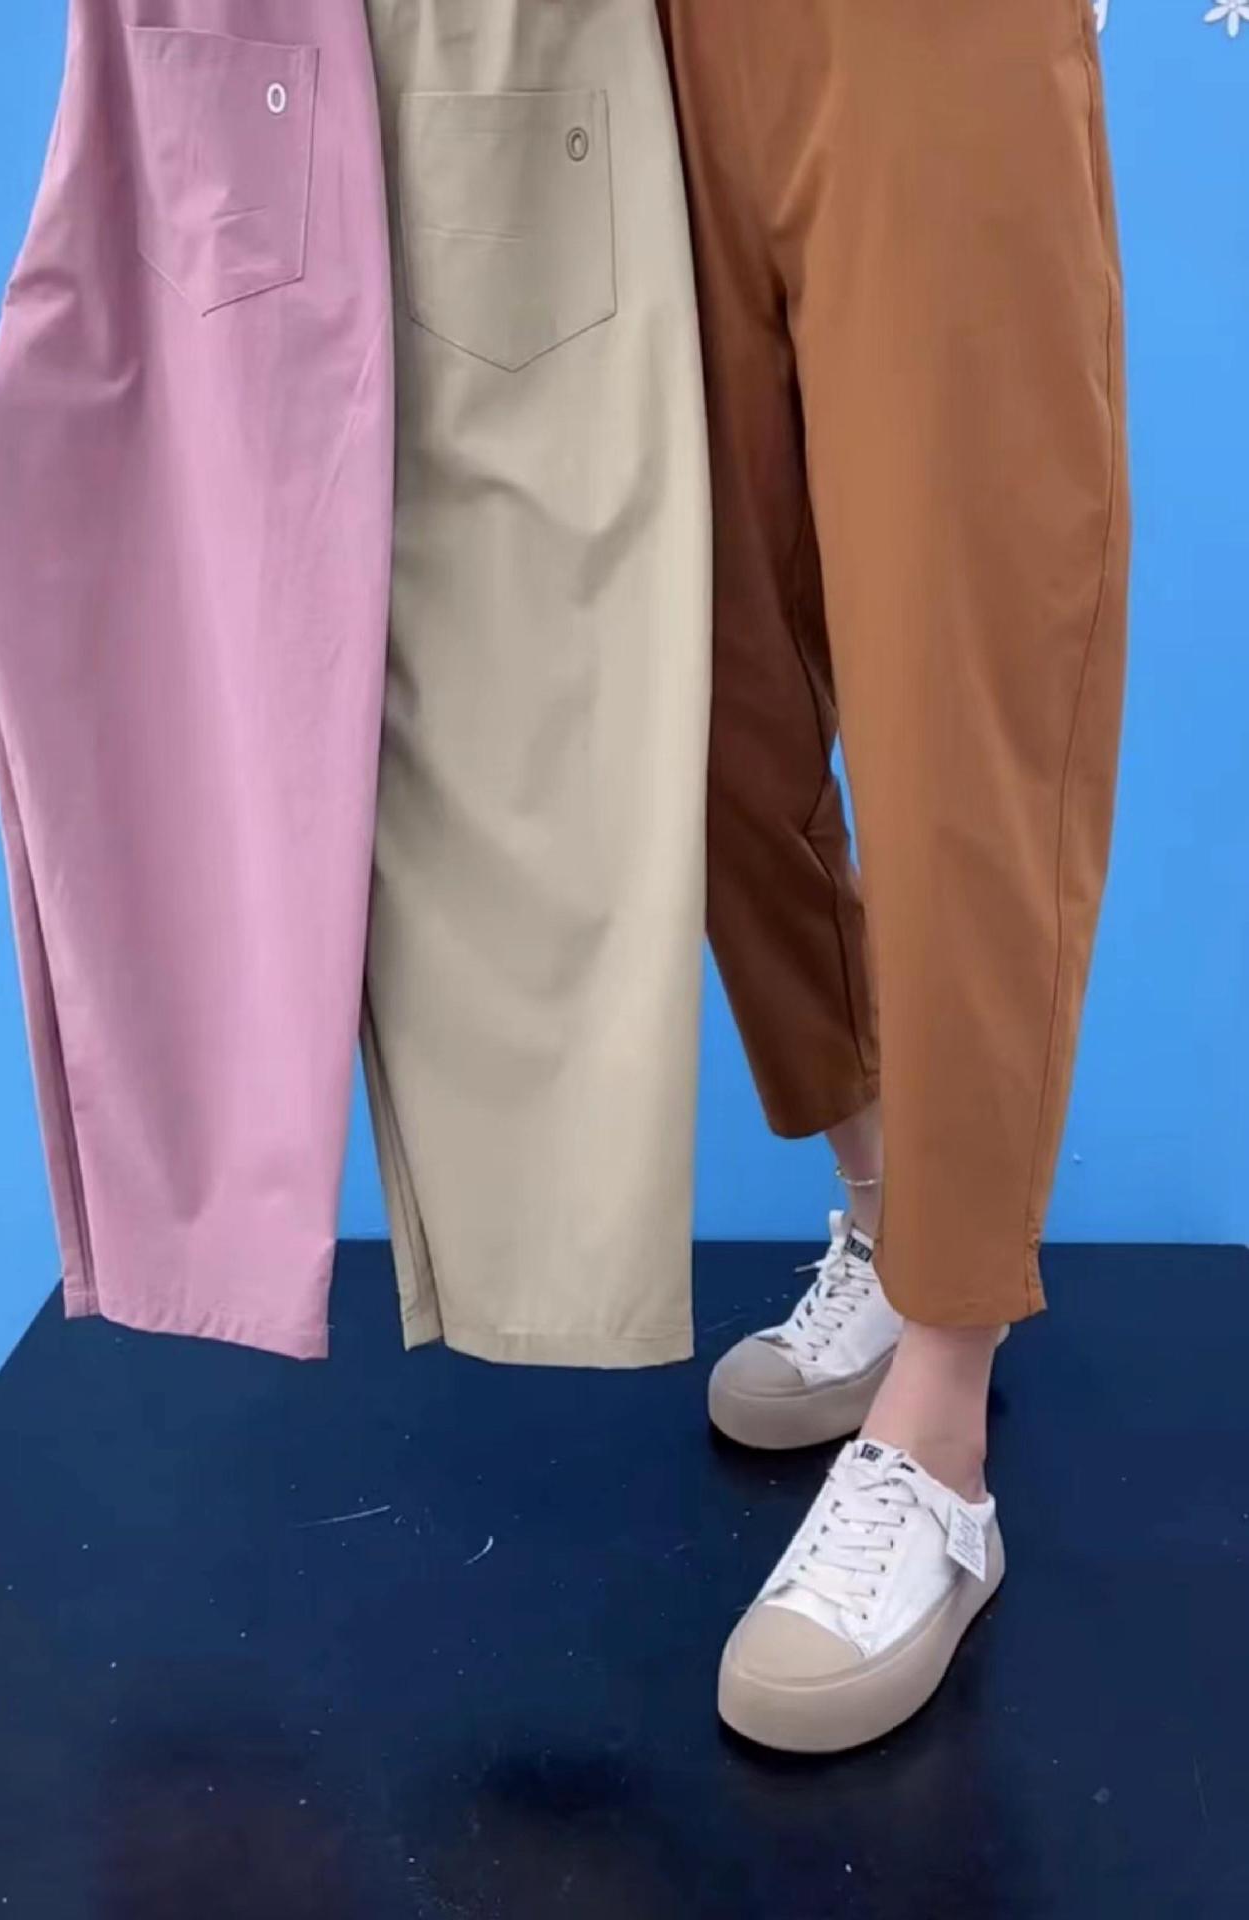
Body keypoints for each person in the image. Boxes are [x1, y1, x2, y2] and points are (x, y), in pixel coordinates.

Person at [658, 0, 1129, 1752]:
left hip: (935, 41)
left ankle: (941, 1418)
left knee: (957, 709)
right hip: (664, 46)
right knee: (704, 680)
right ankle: (878, 1203)